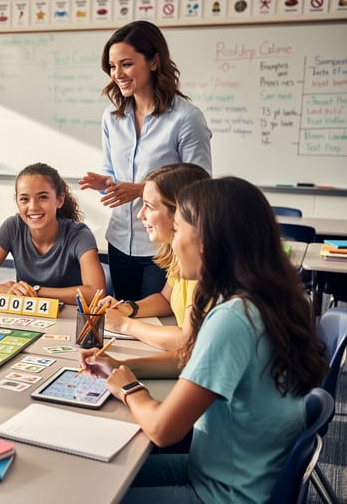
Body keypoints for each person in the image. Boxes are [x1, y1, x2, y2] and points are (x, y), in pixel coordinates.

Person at [79, 177, 328, 503]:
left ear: (207, 244)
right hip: (217, 471)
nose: (172, 241)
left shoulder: (233, 318)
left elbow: (163, 431)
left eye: (178, 230)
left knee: (87, 493)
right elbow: (190, 360)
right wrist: (119, 366)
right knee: (93, 480)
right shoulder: (259, 300)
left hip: (223, 494)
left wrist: (128, 387)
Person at [78, 20, 212, 301]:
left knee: (158, 320)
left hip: (163, 246)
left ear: (153, 62)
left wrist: (140, 190)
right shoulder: (111, 117)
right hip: (119, 241)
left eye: (126, 64)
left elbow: (200, 187)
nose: (118, 74)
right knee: (124, 319)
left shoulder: (186, 118)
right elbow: (111, 171)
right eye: (112, 67)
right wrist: (108, 183)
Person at [97, 164, 210, 350]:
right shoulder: (179, 255)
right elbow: (165, 299)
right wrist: (128, 309)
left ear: (180, 211)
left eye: (149, 206)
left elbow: (187, 340)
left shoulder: (200, 265)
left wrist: (125, 325)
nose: (141, 214)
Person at [0, 162, 104, 305]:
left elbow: (96, 293)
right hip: (28, 316)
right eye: (24, 199)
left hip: (68, 317)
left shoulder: (79, 235)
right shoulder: (13, 227)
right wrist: (8, 290)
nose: (33, 207)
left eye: (43, 197)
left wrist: (35, 291)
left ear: (59, 200)